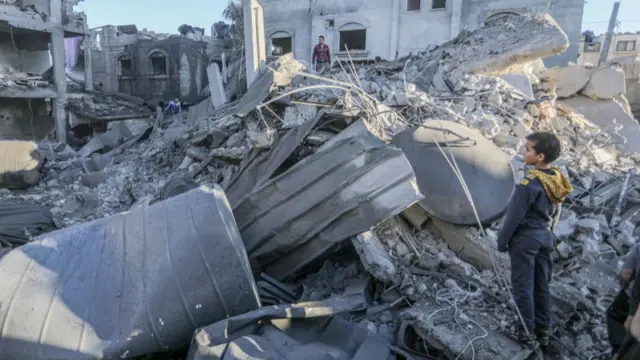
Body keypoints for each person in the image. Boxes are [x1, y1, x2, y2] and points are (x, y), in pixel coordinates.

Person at [497, 132, 573, 352]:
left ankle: (524, 330)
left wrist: (502, 242)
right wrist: (549, 233)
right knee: (541, 285)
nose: (524, 152)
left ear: (539, 157)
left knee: (523, 286)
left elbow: (513, 217)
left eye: (528, 149)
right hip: (545, 237)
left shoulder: (528, 183)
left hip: (526, 240)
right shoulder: (556, 179)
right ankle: (543, 330)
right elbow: (556, 213)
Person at [608, 243, 640, 356]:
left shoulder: (638, 247)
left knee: (614, 316)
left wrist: (624, 287)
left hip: (630, 298)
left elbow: (625, 274)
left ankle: (617, 351)